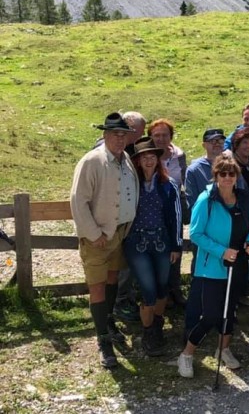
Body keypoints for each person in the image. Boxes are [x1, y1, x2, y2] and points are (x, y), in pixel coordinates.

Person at [178, 156, 249, 378]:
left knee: (229, 312)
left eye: (231, 173)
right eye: (222, 173)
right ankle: (186, 354)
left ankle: (223, 349)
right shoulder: (206, 200)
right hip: (212, 267)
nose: (227, 177)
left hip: (238, 264)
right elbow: (195, 234)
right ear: (216, 175)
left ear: (236, 176)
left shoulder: (244, 198)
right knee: (212, 315)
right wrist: (222, 251)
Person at [70, 112, 138, 368]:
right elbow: (78, 201)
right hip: (97, 237)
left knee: (112, 280)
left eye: (124, 135)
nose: (120, 140)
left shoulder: (126, 160)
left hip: (119, 234)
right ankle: (103, 340)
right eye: (115, 135)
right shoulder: (92, 161)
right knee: (97, 286)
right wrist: (93, 233)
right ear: (105, 135)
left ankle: (107, 321)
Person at [124, 138, 183, 356]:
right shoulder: (131, 184)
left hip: (162, 242)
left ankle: (157, 326)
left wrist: (176, 245)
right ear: (138, 161)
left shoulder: (168, 185)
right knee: (148, 290)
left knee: (161, 287)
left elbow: (176, 217)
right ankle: (148, 331)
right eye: (144, 157)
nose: (148, 161)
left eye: (152, 156)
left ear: (157, 159)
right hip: (136, 243)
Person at [183, 128, 226, 340]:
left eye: (220, 140)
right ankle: (191, 327)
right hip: (204, 235)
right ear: (204, 144)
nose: (216, 144)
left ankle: (221, 323)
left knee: (223, 282)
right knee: (200, 281)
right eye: (212, 141)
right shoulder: (194, 170)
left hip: (227, 236)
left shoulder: (229, 165)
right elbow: (192, 204)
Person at [111, 111, 147, 324]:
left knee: (126, 262)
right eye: (138, 132)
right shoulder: (110, 150)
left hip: (128, 217)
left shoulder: (128, 150)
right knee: (118, 264)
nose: (139, 136)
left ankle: (124, 299)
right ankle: (118, 302)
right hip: (115, 219)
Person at [148, 118, 187, 306]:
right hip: (153, 210)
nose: (161, 139)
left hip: (174, 208)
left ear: (171, 136)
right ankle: (159, 294)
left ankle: (175, 290)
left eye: (165, 135)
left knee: (175, 249)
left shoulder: (179, 155)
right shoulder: (147, 157)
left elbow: (185, 181)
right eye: (156, 135)